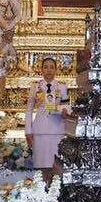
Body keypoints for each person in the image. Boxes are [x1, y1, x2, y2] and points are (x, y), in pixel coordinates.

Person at [26, 57, 71, 185]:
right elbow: (29, 109)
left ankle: (57, 192)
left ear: (56, 69)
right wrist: (28, 131)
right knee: (41, 164)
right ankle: (41, 192)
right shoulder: (35, 87)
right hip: (40, 130)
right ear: (41, 70)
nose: (49, 70)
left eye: (52, 67)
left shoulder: (62, 87)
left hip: (57, 129)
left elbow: (66, 106)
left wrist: (64, 111)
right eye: (46, 67)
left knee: (57, 164)